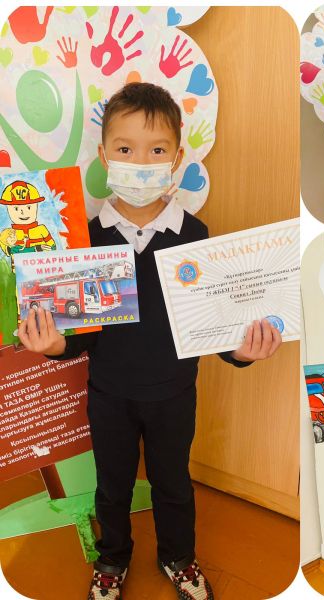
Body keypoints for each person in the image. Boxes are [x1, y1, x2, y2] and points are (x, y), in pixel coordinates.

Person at [17, 82, 283, 600]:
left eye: (157, 150)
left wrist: (241, 352)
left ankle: (178, 556)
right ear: (104, 156)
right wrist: (53, 347)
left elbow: (210, 324)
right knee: (112, 486)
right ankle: (112, 559)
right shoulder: (86, 239)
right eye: (125, 148)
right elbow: (81, 335)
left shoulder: (195, 236)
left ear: (177, 159)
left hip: (174, 394)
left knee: (173, 483)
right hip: (109, 394)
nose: (141, 162)